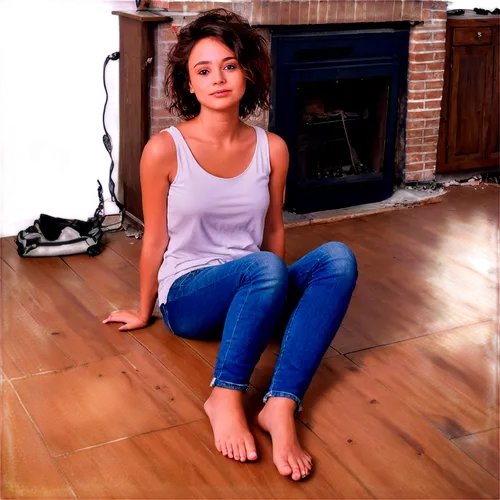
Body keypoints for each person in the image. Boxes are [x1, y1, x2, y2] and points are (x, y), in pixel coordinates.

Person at [103, 9, 358, 481]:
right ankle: (225, 394)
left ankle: (279, 405)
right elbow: (155, 237)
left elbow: (274, 230)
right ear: (189, 85)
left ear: (247, 72)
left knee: (337, 258)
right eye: (203, 70)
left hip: (256, 281)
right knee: (262, 267)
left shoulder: (272, 148)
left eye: (229, 65)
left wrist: (276, 291)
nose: (218, 79)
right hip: (190, 296)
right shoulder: (165, 149)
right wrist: (143, 311)